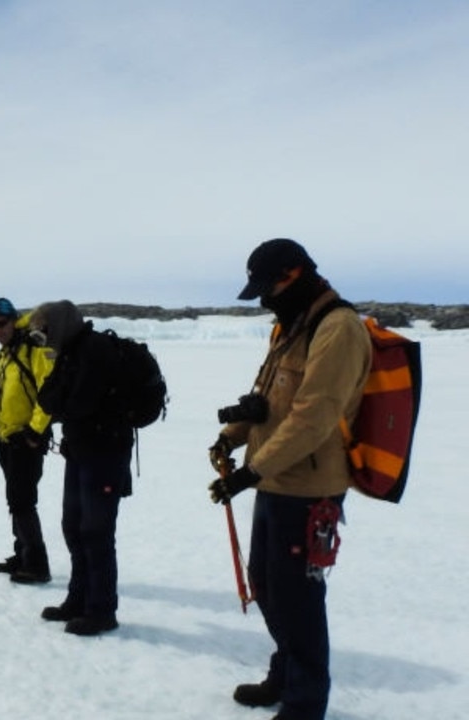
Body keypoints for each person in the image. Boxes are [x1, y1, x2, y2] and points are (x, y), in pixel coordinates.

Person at [206, 238, 371, 720]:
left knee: (297, 599)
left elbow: (312, 418)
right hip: (275, 483)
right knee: (267, 585)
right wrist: (230, 437)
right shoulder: (291, 324)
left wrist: (249, 473)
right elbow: (266, 398)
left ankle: (305, 702)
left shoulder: (337, 328)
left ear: (295, 275)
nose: (263, 299)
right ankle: (285, 674)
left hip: (309, 489)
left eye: (268, 287)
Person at [27, 300, 132, 636]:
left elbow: (77, 404)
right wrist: (61, 401)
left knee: (96, 532)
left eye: (42, 330)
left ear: (57, 324)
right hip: (82, 453)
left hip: (105, 454)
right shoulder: (67, 352)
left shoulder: (94, 351)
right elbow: (47, 399)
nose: (40, 338)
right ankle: (78, 599)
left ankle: (102, 609)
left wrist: (62, 403)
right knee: (74, 526)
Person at [0, 297, 55, 584]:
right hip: (5, 438)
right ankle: (23, 553)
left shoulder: (34, 349)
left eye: (1, 324)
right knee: (15, 500)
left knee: (22, 500)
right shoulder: (5, 354)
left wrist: (35, 431)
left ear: (14, 320)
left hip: (26, 439)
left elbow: (48, 393)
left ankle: (37, 564)